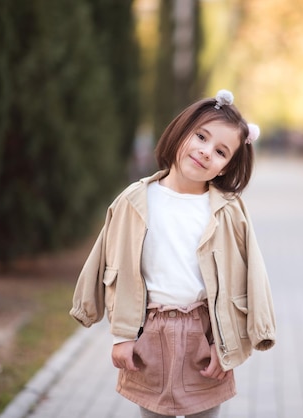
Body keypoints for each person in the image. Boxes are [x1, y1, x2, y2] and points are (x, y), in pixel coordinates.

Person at [70, 90, 277, 418]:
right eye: (201, 136)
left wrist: (229, 345)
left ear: (226, 168)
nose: (205, 152)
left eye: (221, 151)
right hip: (148, 334)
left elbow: (252, 276)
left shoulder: (228, 211)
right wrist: (123, 336)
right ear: (182, 132)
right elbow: (111, 264)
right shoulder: (135, 201)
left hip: (207, 338)